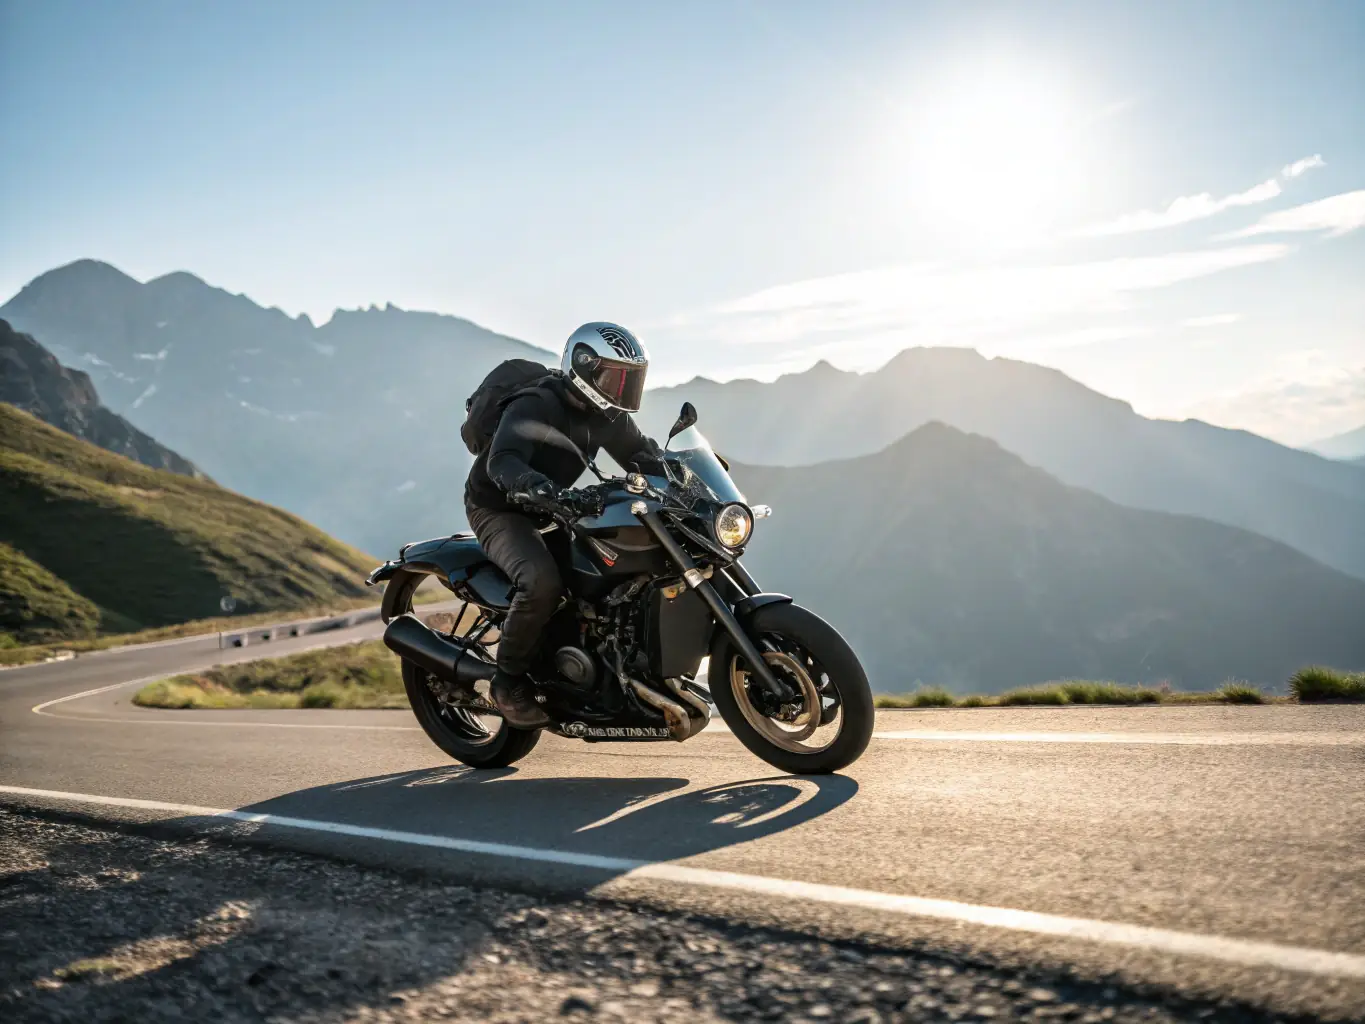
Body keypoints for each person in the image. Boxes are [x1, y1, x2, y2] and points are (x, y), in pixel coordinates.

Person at [464, 322, 663, 728]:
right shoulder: (536, 404)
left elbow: (642, 456)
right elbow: (502, 461)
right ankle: (507, 682)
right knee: (541, 582)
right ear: (584, 367)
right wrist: (538, 488)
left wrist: (684, 476)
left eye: (630, 379)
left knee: (605, 576)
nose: (623, 388)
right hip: (500, 508)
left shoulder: (609, 417)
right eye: (615, 378)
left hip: (556, 507)